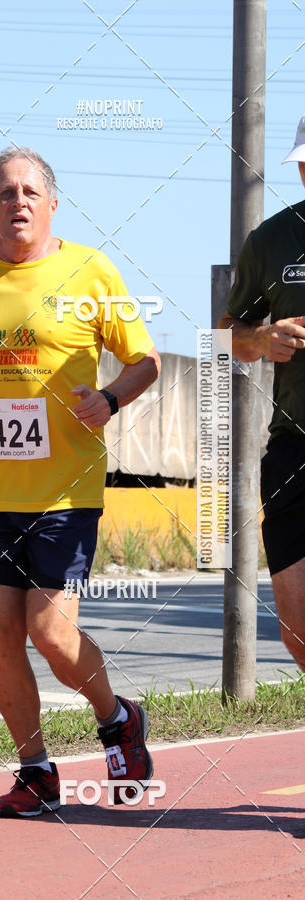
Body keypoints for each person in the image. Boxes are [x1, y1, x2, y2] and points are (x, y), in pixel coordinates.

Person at [0, 147, 160, 817]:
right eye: (3, 193)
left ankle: (116, 718)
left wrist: (109, 399)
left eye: (28, 191)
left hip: (63, 490)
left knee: (50, 632)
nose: (17, 201)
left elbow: (146, 360)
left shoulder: (88, 270)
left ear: (52, 204)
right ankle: (36, 769)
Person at [219, 115, 305, 675]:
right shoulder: (270, 240)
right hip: (294, 448)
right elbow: (225, 335)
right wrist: (262, 336)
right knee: (297, 624)